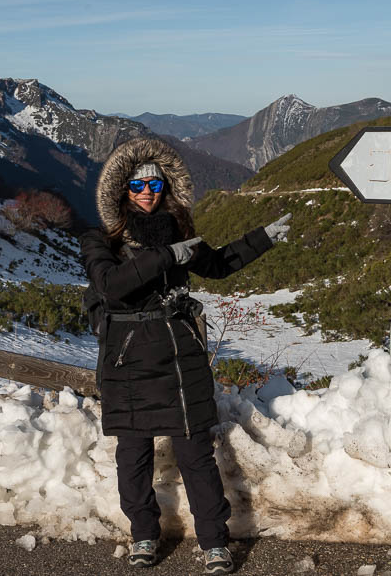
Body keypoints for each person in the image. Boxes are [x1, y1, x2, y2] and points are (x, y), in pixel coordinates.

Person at [79, 138, 291, 574]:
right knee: (133, 453)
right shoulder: (101, 239)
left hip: (178, 353)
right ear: (122, 188)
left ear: (166, 187)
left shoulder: (178, 233)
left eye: (155, 183)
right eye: (138, 183)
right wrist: (164, 256)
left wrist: (262, 239)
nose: (148, 190)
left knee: (196, 453)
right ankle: (143, 535)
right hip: (127, 356)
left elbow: (218, 265)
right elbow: (110, 285)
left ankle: (214, 541)